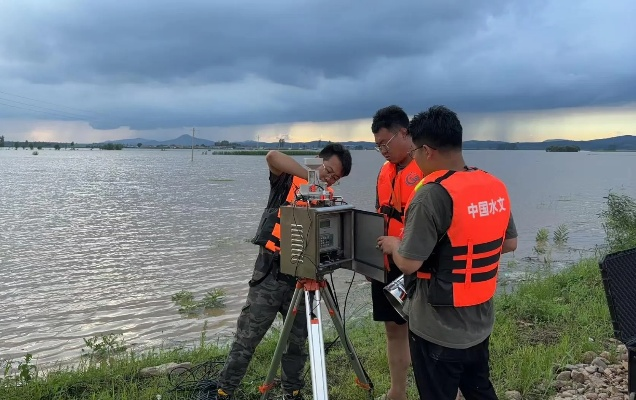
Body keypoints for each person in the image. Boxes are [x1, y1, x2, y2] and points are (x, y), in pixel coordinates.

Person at [377, 105, 518, 400]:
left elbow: (410, 264)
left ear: (427, 151)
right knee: (479, 389)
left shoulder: (431, 194)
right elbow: (508, 243)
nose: (414, 157)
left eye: (415, 151)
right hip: (480, 321)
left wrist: (392, 245)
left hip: (436, 329)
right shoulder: (494, 185)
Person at [199, 143, 353, 400]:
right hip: (270, 274)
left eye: (335, 178)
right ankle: (224, 391)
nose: (329, 179)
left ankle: (291, 393)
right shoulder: (286, 180)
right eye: (328, 170)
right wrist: (312, 175)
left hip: (304, 278)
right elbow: (272, 156)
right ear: (318, 160)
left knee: (297, 343)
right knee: (247, 337)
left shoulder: (326, 199)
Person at [370, 105, 423, 400]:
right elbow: (380, 216)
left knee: (426, 332)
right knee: (394, 328)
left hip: (417, 263)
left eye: (385, 144)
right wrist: (372, 262)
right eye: (378, 146)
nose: (382, 151)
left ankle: (447, 391)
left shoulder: (427, 169)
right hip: (387, 263)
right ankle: (397, 392)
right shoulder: (385, 171)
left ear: (405, 132)